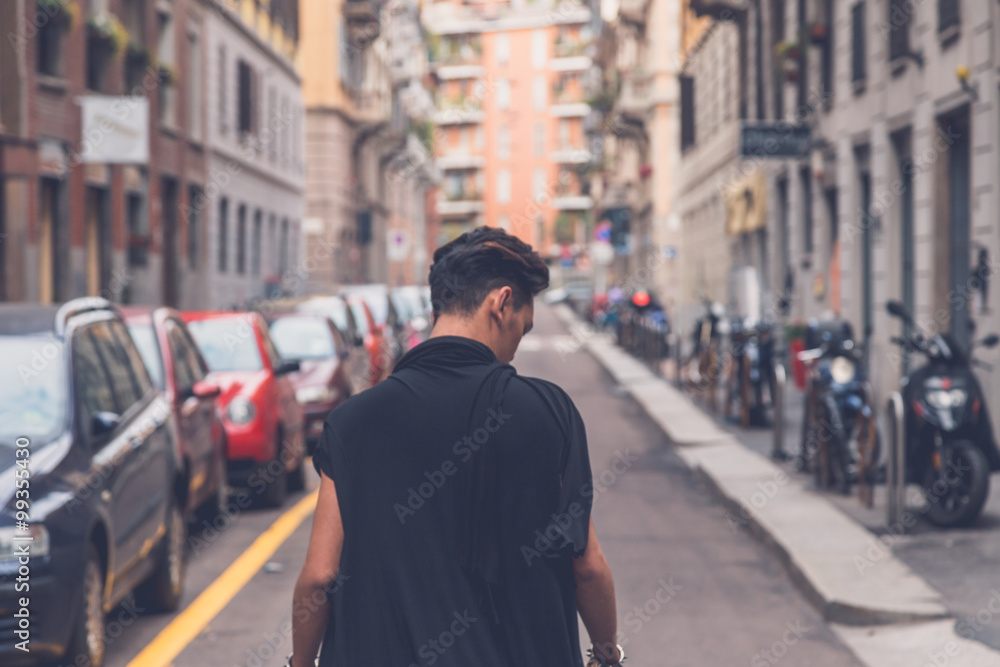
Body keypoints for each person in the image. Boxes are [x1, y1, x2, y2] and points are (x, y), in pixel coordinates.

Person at [288, 227, 622, 667]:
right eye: (523, 329)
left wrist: (301, 663)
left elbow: (318, 577)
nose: (516, 348)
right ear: (501, 304)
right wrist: (606, 654)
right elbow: (588, 567)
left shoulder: (353, 421)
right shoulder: (548, 412)